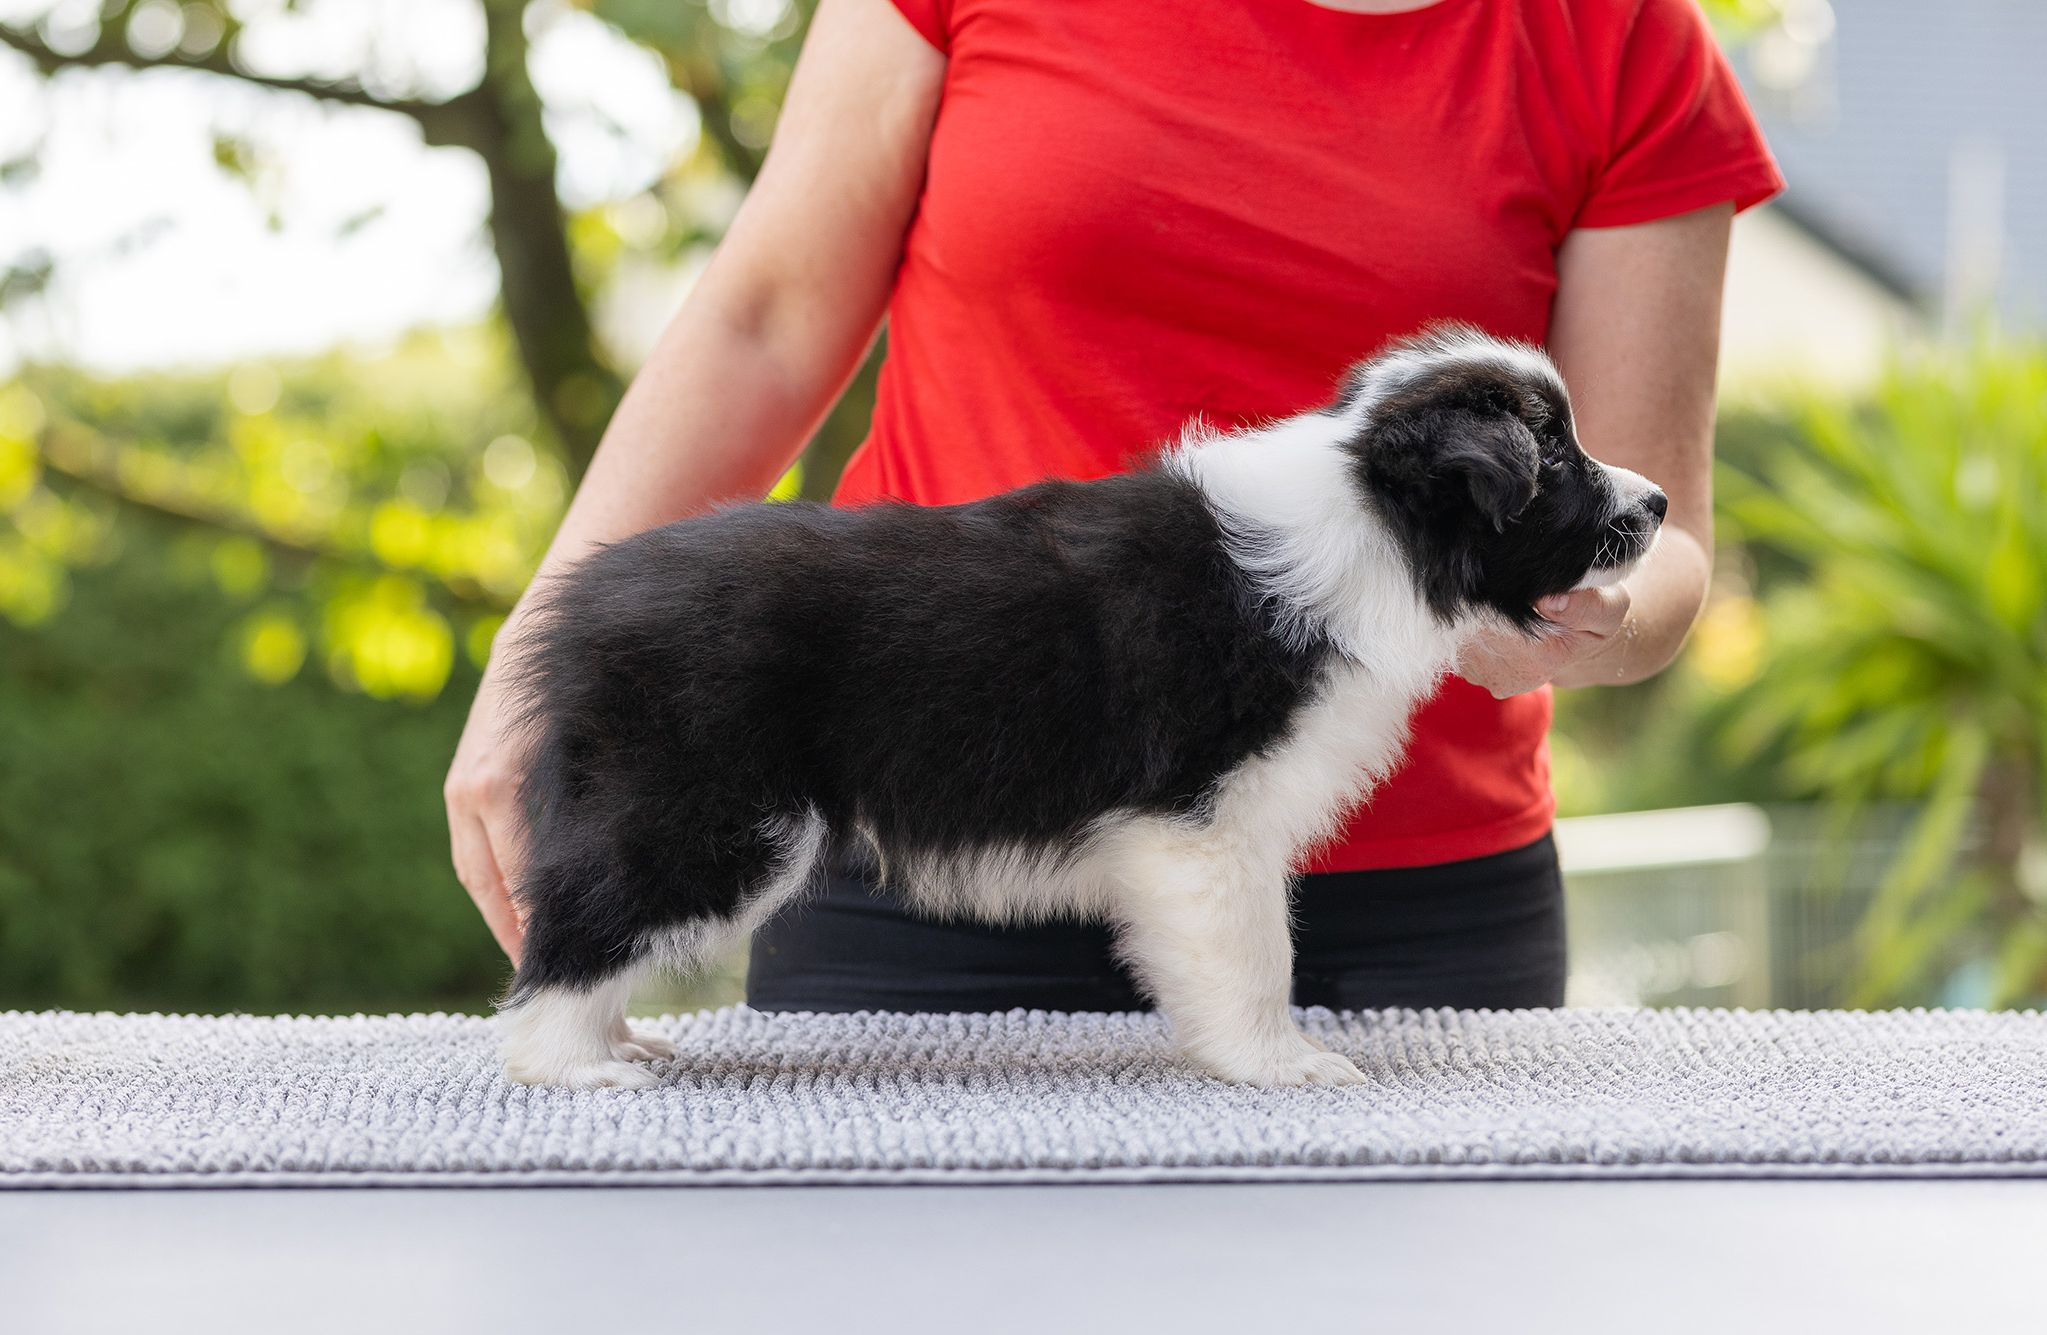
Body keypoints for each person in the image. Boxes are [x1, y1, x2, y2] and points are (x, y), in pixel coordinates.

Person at [446, 0, 1782, 1014]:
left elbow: (1654, 538)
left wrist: (1579, 617)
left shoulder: (1622, 43)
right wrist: (547, 646)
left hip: (1399, 918)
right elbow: (767, 325)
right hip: (923, 833)